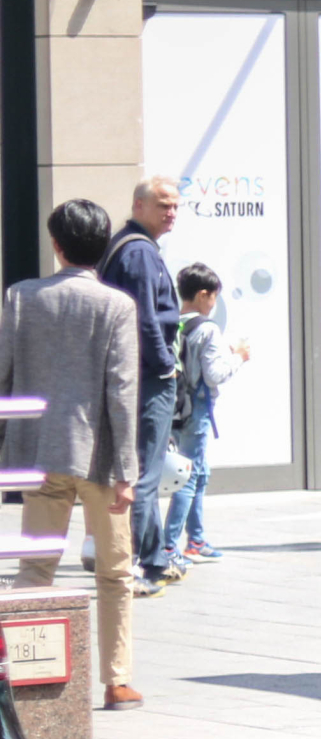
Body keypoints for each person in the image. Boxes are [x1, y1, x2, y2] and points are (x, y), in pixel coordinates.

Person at [1, 200, 142, 709]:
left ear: (56, 245)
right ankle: (116, 679)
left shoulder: (20, 298)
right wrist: (128, 470)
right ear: (103, 246)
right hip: (100, 457)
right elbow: (121, 393)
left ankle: (21, 668)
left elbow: (3, 375)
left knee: (36, 568)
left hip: (38, 451)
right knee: (114, 572)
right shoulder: (116, 306)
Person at [96, 177, 183, 593]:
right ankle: (147, 563)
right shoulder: (139, 255)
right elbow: (146, 320)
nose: (171, 213)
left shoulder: (126, 247)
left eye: (175, 206)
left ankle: (152, 557)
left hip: (133, 373)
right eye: (163, 205)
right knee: (144, 472)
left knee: (137, 469)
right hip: (148, 376)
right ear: (139, 205)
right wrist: (167, 367)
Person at [162, 262, 249, 566]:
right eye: (213, 297)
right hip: (196, 407)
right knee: (189, 476)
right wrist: (238, 357)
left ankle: (196, 539)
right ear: (203, 295)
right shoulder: (208, 329)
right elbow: (214, 374)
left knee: (196, 471)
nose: (213, 303)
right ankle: (170, 546)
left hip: (171, 408)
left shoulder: (172, 322)